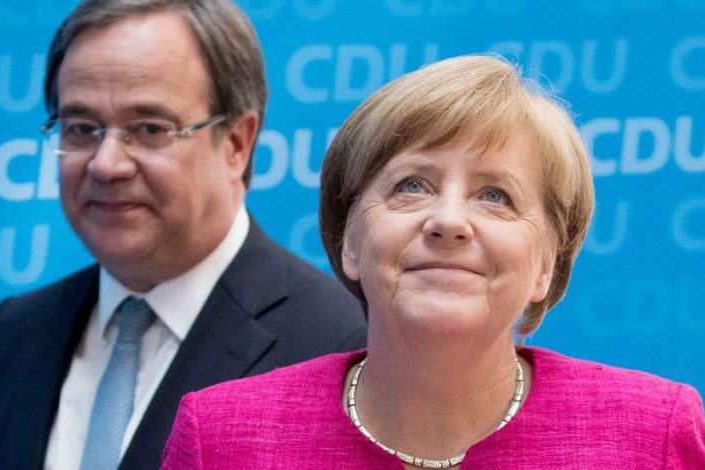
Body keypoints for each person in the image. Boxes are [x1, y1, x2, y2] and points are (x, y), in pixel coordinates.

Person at [161, 55, 705, 468]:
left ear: (546, 263)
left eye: (496, 195)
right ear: (350, 242)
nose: (448, 221)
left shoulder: (653, 435)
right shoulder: (221, 439)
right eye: (412, 185)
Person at [0, 1, 367, 469]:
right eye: (81, 129)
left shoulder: (338, 344)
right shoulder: (16, 332)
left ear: (237, 143)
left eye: (150, 129)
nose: (106, 164)